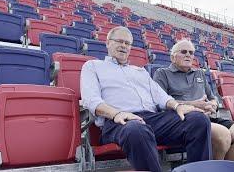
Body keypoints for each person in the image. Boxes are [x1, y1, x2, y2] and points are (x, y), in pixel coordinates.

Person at [80, 27, 212, 172]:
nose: (124, 46)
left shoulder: (140, 71)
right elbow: (91, 100)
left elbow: (161, 96)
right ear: (107, 43)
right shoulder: (93, 66)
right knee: (136, 128)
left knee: (198, 120)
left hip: (152, 119)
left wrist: (176, 106)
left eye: (127, 43)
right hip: (118, 122)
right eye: (119, 41)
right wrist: (117, 114)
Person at [153, 39, 234, 164]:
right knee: (222, 135)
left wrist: (212, 105)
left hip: (206, 118)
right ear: (172, 57)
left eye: (191, 52)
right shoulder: (162, 73)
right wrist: (193, 105)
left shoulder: (199, 74)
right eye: (184, 51)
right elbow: (159, 102)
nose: (188, 55)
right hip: (181, 121)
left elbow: (213, 98)